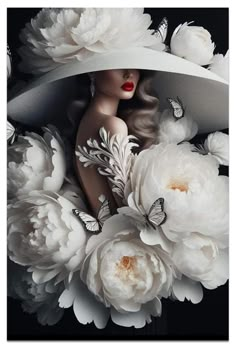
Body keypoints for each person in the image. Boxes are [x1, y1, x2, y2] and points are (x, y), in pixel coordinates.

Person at [74, 69, 159, 216]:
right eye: (118, 66)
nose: (129, 74)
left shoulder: (87, 120)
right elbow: (129, 207)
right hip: (123, 229)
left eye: (135, 66)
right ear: (92, 72)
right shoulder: (112, 125)